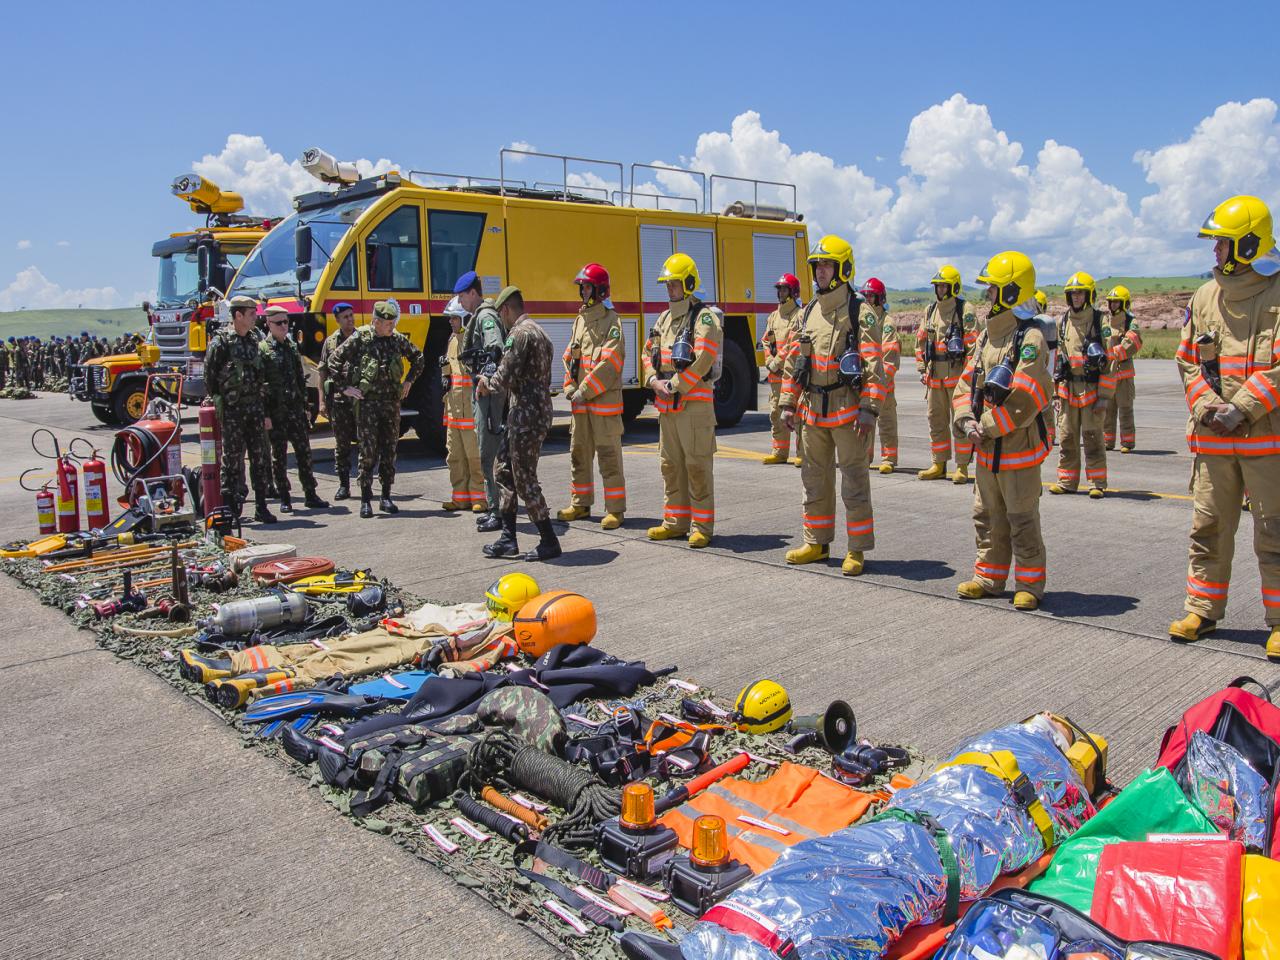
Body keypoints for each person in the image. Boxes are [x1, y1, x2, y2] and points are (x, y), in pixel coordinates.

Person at [1169, 194, 1280, 658]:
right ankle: (1203, 609)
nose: (1215, 253)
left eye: (1223, 244)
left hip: (1266, 441)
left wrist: (1245, 407)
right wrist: (1210, 407)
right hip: (1214, 438)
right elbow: (1187, 359)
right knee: (1209, 527)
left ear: (1249, 245)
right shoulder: (1204, 295)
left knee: (1275, 530)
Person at [780, 235, 886, 576]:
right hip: (812, 410)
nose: (820, 272)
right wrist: (787, 403)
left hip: (848, 412)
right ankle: (816, 542)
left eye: (826, 265)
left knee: (854, 482)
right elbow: (794, 361)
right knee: (813, 479)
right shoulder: (809, 311)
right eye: (817, 266)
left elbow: (873, 365)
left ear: (842, 269)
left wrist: (869, 409)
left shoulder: (861, 312)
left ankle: (856, 549)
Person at [954, 250, 1052, 611]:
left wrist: (988, 427)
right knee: (986, 515)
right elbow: (965, 384)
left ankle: (1029, 583)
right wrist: (966, 421)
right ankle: (989, 577)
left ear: (1011, 293)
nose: (987, 297)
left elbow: (1027, 396)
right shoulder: (985, 338)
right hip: (985, 447)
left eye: (993, 290)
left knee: (1021, 518)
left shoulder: (1030, 338)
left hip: (1017, 448)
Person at [640, 253, 723, 548]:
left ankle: (701, 526)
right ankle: (675, 521)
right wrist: (653, 381)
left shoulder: (705, 318)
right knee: (670, 465)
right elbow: (647, 352)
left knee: (697, 466)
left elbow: (703, 359)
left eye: (674, 284)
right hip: (668, 409)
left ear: (688, 283)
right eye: (668, 284)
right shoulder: (663, 318)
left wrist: (673, 385)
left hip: (695, 407)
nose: (670, 289)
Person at [476, 286, 560, 561]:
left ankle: (548, 540)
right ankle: (508, 538)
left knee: (524, 477)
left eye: (501, 316)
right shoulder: (540, 331)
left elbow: (504, 376)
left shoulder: (520, 334)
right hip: (527, 414)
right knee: (504, 472)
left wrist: (485, 382)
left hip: (526, 415)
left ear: (506, 310)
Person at [328, 299, 425, 518]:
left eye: (393, 323)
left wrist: (409, 381)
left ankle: (386, 496)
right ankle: (365, 499)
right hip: (368, 405)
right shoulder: (360, 338)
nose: (392, 327)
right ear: (375, 322)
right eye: (387, 323)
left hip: (391, 404)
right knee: (368, 451)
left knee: (389, 450)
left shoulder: (396, 340)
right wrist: (346, 388)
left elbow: (418, 358)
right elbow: (334, 360)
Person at [557, 262, 627, 529]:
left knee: (609, 458)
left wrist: (583, 392)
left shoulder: (612, 322)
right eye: (582, 287)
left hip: (602, 407)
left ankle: (615, 510)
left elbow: (609, 364)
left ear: (599, 290)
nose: (583, 291)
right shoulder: (580, 320)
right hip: (581, 406)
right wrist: (569, 388)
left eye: (586, 286)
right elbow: (569, 359)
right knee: (578, 454)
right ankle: (580, 504)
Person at [204, 295, 276, 523]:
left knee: (260, 458)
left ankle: (261, 507)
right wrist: (222, 401)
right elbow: (210, 376)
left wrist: (264, 412)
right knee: (232, 460)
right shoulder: (221, 343)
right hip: (233, 411)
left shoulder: (256, 339)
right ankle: (231, 510)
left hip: (255, 408)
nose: (256, 317)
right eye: (252, 313)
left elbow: (263, 375)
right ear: (238, 315)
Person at [1050, 272, 1114, 499]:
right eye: (1072, 293)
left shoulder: (1099, 321)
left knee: (1093, 437)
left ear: (1088, 295)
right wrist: (1056, 393)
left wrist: (1104, 396)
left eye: (1080, 293)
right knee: (1066, 436)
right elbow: (1057, 358)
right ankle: (1066, 480)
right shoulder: (1063, 321)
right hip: (1068, 390)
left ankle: (1097, 482)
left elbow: (1110, 361)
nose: (1076, 297)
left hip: (1092, 390)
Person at [261, 306, 328, 513]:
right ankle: (284, 497)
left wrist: (307, 407)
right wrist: (265, 415)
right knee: (279, 457)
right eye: (278, 323)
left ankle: (310, 494)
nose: (283, 326)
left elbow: (301, 379)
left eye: (286, 322)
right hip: (277, 413)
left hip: (295, 411)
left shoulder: (291, 346)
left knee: (304, 453)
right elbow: (260, 386)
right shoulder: (262, 350)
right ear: (268, 324)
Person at [916, 265, 978, 483]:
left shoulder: (965, 310)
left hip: (957, 378)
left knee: (960, 422)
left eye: (944, 286)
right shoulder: (930, 310)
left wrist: (968, 378)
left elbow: (973, 348)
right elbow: (921, 342)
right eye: (938, 286)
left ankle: (961, 466)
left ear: (954, 287)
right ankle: (938, 463)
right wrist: (922, 368)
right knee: (936, 421)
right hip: (934, 379)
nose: (941, 290)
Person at [455, 271, 507, 532]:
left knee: (488, 453)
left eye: (462, 296)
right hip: (484, 394)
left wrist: (486, 376)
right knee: (488, 451)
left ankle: (497, 510)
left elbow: (495, 348)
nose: (460, 301)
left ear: (473, 293)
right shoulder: (478, 316)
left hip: (488, 397)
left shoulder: (485, 316)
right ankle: (495, 506)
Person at [440, 295, 486, 513]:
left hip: (470, 412)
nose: (450, 322)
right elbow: (452, 375)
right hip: (454, 412)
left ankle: (480, 498)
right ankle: (460, 497)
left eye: (454, 318)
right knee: (454, 457)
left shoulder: (473, 341)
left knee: (474, 457)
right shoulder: (452, 341)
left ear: (465, 319)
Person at [317, 302, 359, 500]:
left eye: (351, 315)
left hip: (360, 400)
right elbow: (322, 372)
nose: (350, 319)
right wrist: (322, 402)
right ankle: (344, 485)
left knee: (367, 444)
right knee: (342, 445)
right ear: (337, 320)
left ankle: (365, 482)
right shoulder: (330, 342)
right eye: (345, 317)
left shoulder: (362, 338)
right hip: (340, 401)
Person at [761, 273, 803, 465]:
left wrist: (776, 362)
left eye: (784, 289)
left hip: (792, 377)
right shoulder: (773, 317)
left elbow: (793, 344)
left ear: (793, 292)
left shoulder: (799, 316)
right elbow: (766, 340)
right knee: (776, 414)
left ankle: (802, 453)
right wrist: (769, 361)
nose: (779, 293)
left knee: (798, 415)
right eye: (779, 289)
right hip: (775, 378)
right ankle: (779, 452)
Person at [860, 277, 899, 473]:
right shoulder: (862, 319)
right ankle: (864, 457)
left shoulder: (886, 322)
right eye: (865, 295)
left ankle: (889, 458)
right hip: (866, 384)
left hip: (884, 384)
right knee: (865, 422)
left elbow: (890, 355)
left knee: (886, 422)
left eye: (871, 296)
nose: (867, 299)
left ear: (880, 298)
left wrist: (882, 381)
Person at [1103, 285, 1142, 452]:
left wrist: (1114, 352)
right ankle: (1108, 442)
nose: (1113, 305)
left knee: (1125, 408)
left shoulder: (1130, 322)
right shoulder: (1104, 320)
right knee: (1107, 410)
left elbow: (1134, 341)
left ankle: (1127, 442)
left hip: (1124, 374)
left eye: (1116, 302)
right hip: (1107, 373)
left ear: (1124, 303)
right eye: (1111, 302)